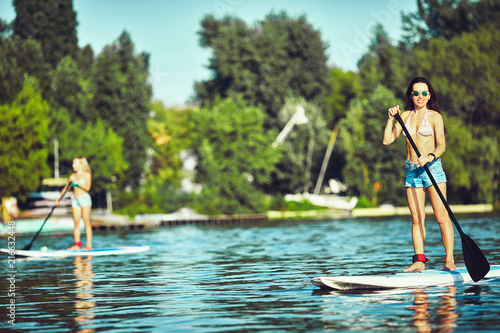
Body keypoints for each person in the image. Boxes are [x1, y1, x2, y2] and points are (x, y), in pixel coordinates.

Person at [383, 77, 455, 272]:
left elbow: (442, 146)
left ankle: (449, 261)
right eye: (416, 93)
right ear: (411, 95)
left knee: (441, 217)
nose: (420, 96)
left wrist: (430, 156)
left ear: (429, 95)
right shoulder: (404, 116)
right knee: (416, 219)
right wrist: (391, 119)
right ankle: (419, 261)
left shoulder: (434, 117)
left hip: (432, 169)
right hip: (411, 171)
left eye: (424, 93)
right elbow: (387, 140)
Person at [56, 157, 93, 250]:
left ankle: (88, 245)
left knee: (86, 222)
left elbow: (88, 187)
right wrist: (59, 199)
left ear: (81, 164)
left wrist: (77, 182)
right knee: (76, 223)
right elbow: (66, 188)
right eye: (73, 163)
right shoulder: (72, 176)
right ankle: (77, 244)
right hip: (75, 200)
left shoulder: (86, 174)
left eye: (75, 163)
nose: (73, 165)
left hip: (84, 199)